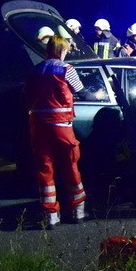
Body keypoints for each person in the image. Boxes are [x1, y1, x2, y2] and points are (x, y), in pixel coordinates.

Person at [24, 35, 86, 227]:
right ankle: (78, 211)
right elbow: (80, 89)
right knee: (70, 166)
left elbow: (26, 94)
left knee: (45, 168)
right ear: (63, 51)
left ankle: (51, 215)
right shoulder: (66, 69)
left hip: (39, 126)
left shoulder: (36, 70)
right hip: (61, 126)